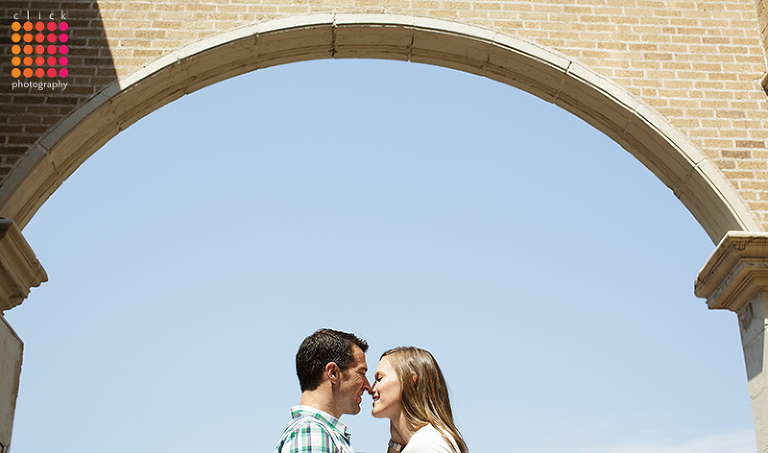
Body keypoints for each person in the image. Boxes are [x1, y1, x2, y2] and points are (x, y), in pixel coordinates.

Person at [274, 328, 372, 453]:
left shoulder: (317, 433)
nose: (367, 385)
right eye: (361, 373)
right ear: (333, 373)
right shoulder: (312, 433)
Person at [371, 347, 468, 453]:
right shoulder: (427, 440)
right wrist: (395, 444)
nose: (372, 389)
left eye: (380, 379)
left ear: (409, 379)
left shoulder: (426, 443)